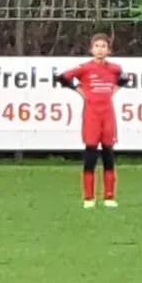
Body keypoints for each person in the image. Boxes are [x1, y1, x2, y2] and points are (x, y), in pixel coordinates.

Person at [55, 32, 125, 208]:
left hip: (107, 115)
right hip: (91, 116)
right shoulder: (85, 68)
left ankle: (109, 197)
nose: (100, 50)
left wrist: (114, 90)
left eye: (103, 46)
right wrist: (79, 90)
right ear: (91, 49)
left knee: (108, 154)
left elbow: (124, 78)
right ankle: (88, 198)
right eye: (97, 46)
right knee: (90, 154)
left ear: (109, 50)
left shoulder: (114, 69)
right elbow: (62, 77)